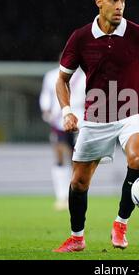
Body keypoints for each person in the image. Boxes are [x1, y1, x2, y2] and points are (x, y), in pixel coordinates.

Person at [53, 0, 139, 252]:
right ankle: (77, 238)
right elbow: (61, 80)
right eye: (113, 0)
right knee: (79, 182)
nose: (119, 6)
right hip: (95, 117)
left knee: (137, 157)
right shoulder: (81, 37)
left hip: (134, 111)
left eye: (122, 0)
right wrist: (66, 112)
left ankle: (121, 223)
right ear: (99, 2)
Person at [39, 67, 86, 211]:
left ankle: (75, 196)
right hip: (60, 120)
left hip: (81, 122)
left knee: (76, 160)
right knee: (59, 155)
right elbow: (46, 95)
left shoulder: (85, 76)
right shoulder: (51, 75)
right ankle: (60, 196)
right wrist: (46, 110)